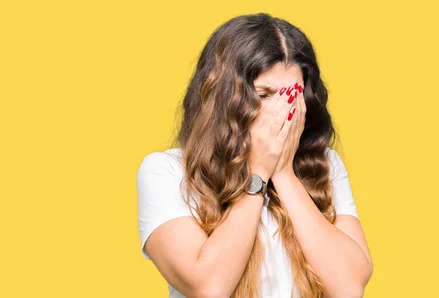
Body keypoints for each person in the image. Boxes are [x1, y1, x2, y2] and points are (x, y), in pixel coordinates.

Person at [136, 13, 373, 298]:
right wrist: (257, 175)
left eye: (290, 95)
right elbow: (209, 288)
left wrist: (284, 174)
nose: (280, 112)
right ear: (224, 97)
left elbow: (349, 287)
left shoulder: (325, 165)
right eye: (263, 95)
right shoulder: (166, 172)